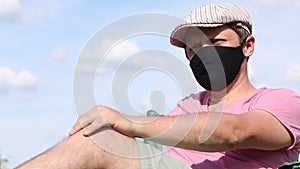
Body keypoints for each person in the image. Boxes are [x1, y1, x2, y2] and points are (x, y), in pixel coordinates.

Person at [16, 3, 300, 169]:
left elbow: (234, 133)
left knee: (97, 143)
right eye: (194, 48)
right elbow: (159, 131)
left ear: (247, 46)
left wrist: (127, 123)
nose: (205, 55)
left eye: (216, 43)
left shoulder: (280, 102)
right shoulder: (189, 106)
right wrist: (121, 123)